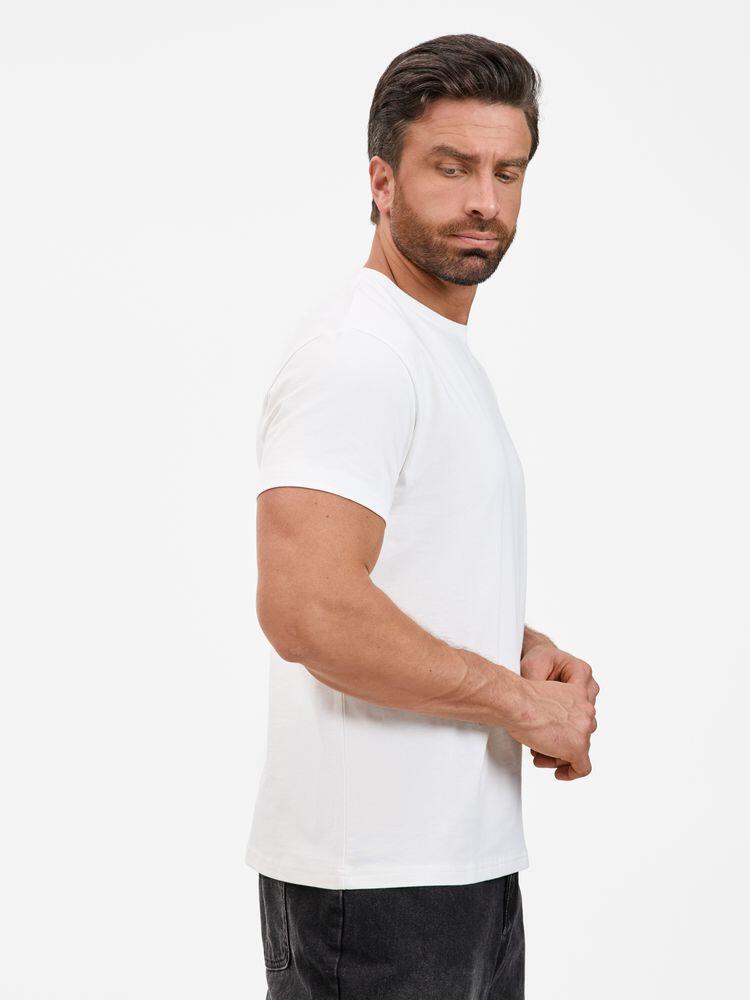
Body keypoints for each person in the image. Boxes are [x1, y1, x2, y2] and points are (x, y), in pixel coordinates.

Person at [246, 32, 600, 1000]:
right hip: (373, 885)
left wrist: (521, 647)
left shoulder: (434, 350)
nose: (485, 199)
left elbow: (407, 574)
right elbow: (308, 608)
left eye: (507, 171)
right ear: (381, 180)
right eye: (452, 167)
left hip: (458, 868)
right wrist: (520, 704)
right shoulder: (359, 353)